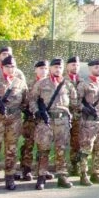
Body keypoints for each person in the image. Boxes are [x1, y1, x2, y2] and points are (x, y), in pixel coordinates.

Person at [0, 54, 29, 191]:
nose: (10, 69)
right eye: (7, 66)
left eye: (13, 67)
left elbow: (25, 102)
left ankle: (10, 177)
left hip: (13, 121)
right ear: (2, 67)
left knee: (11, 150)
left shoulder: (20, 83)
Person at [30, 58, 77, 190]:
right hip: (46, 121)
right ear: (50, 68)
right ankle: (41, 177)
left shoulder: (67, 84)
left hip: (62, 122)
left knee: (61, 149)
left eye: (60, 67)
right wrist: (37, 111)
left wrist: (69, 114)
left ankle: (62, 176)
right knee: (43, 150)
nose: (57, 69)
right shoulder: (41, 84)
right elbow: (32, 100)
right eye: (55, 67)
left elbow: (74, 103)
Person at [74, 58, 99, 186]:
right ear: (90, 69)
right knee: (85, 150)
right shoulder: (83, 84)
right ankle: (83, 174)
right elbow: (76, 101)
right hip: (88, 123)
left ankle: (96, 173)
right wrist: (85, 109)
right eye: (95, 67)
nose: (98, 69)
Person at [19, 60, 48, 182]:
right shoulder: (29, 84)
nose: (43, 71)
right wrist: (29, 110)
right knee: (28, 145)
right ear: (35, 70)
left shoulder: (51, 84)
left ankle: (41, 170)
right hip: (31, 120)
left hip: (44, 120)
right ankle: (26, 169)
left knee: (43, 145)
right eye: (41, 68)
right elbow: (23, 100)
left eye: (45, 68)